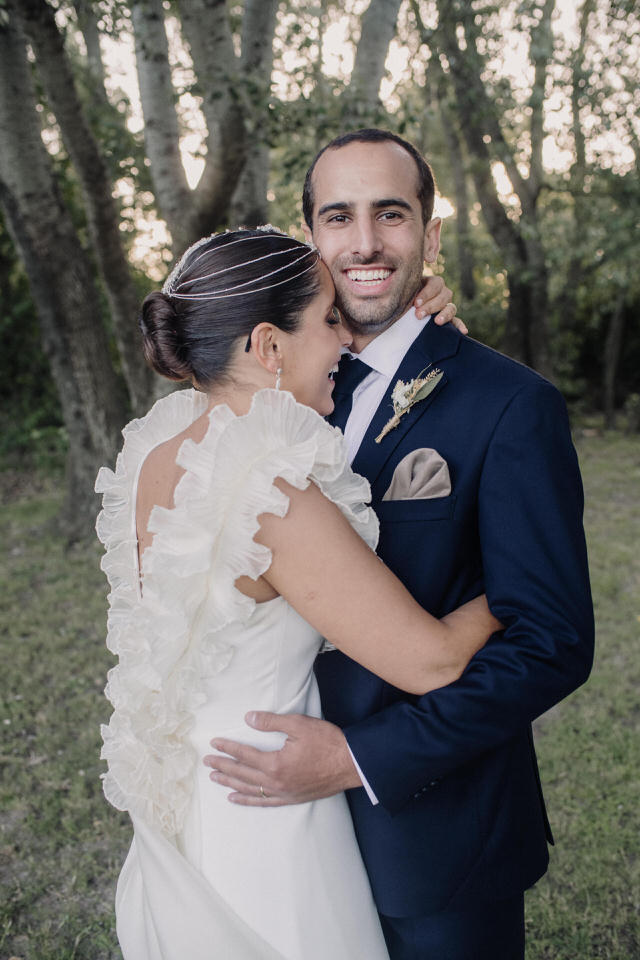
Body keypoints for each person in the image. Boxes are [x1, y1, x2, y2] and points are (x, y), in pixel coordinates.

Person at [205, 130, 595, 960]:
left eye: (392, 213)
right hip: (276, 838)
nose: (367, 242)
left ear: (431, 233)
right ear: (311, 236)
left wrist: (359, 759)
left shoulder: (509, 405)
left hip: (434, 836)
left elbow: (551, 643)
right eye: (339, 217)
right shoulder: (269, 387)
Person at [95, 226, 500, 960]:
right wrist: (506, 588)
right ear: (268, 348)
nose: (345, 341)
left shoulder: (159, 453)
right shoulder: (271, 492)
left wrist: (418, 310)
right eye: (327, 322)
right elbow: (432, 664)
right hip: (270, 813)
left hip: (193, 800)